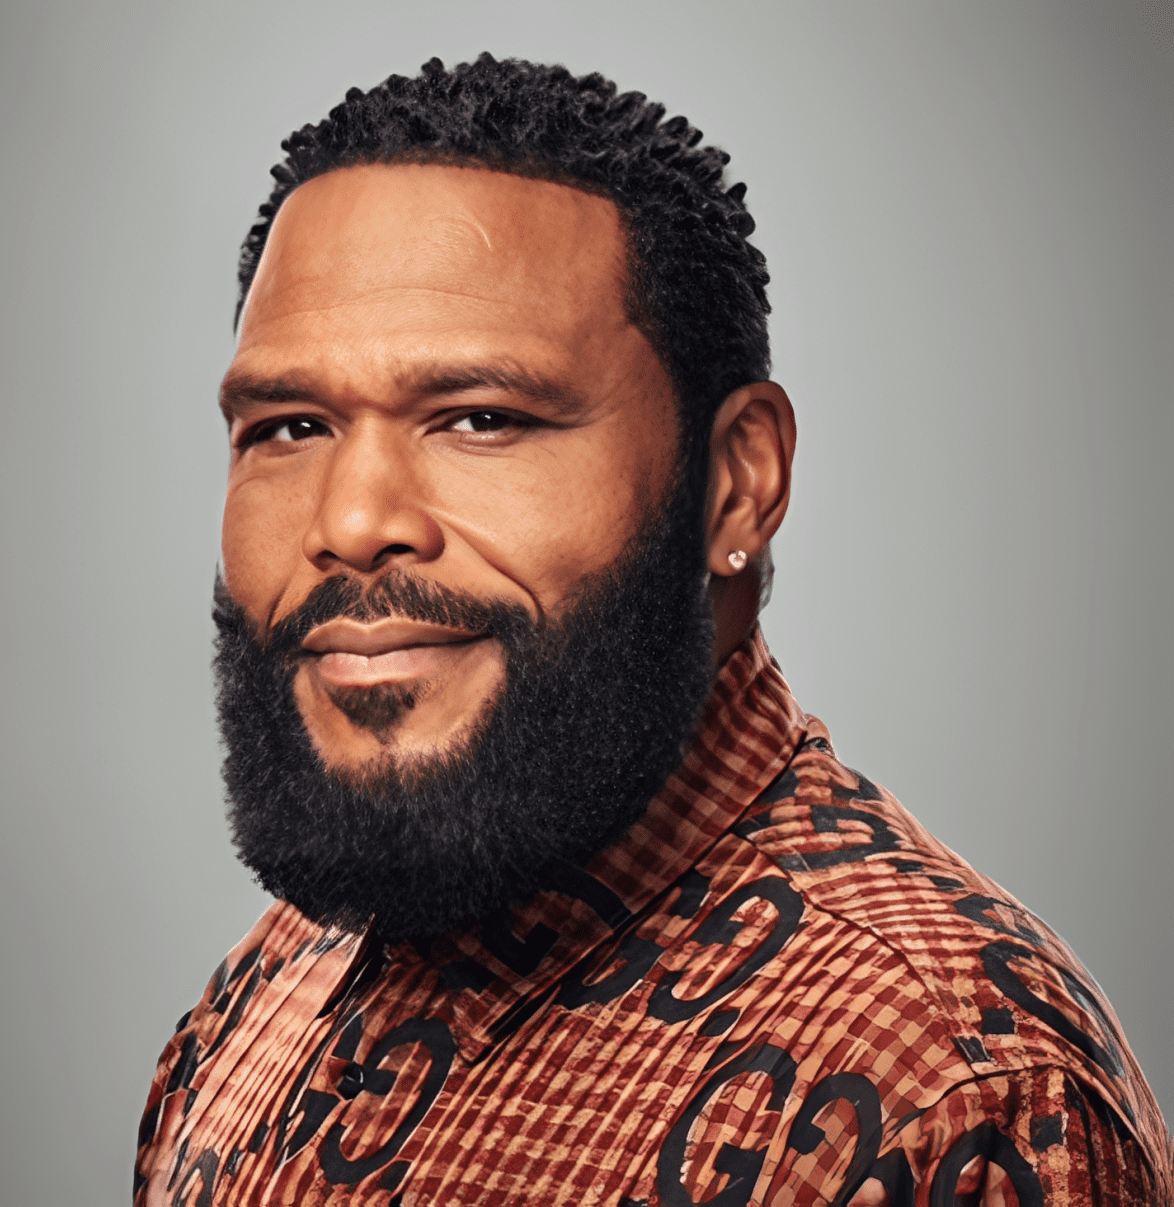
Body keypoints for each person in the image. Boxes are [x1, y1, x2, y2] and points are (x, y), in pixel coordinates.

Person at [134, 54, 1171, 1206]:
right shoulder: (265, 990)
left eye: (482, 417)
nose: (354, 520)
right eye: (287, 427)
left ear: (735, 482)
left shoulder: (951, 1098)